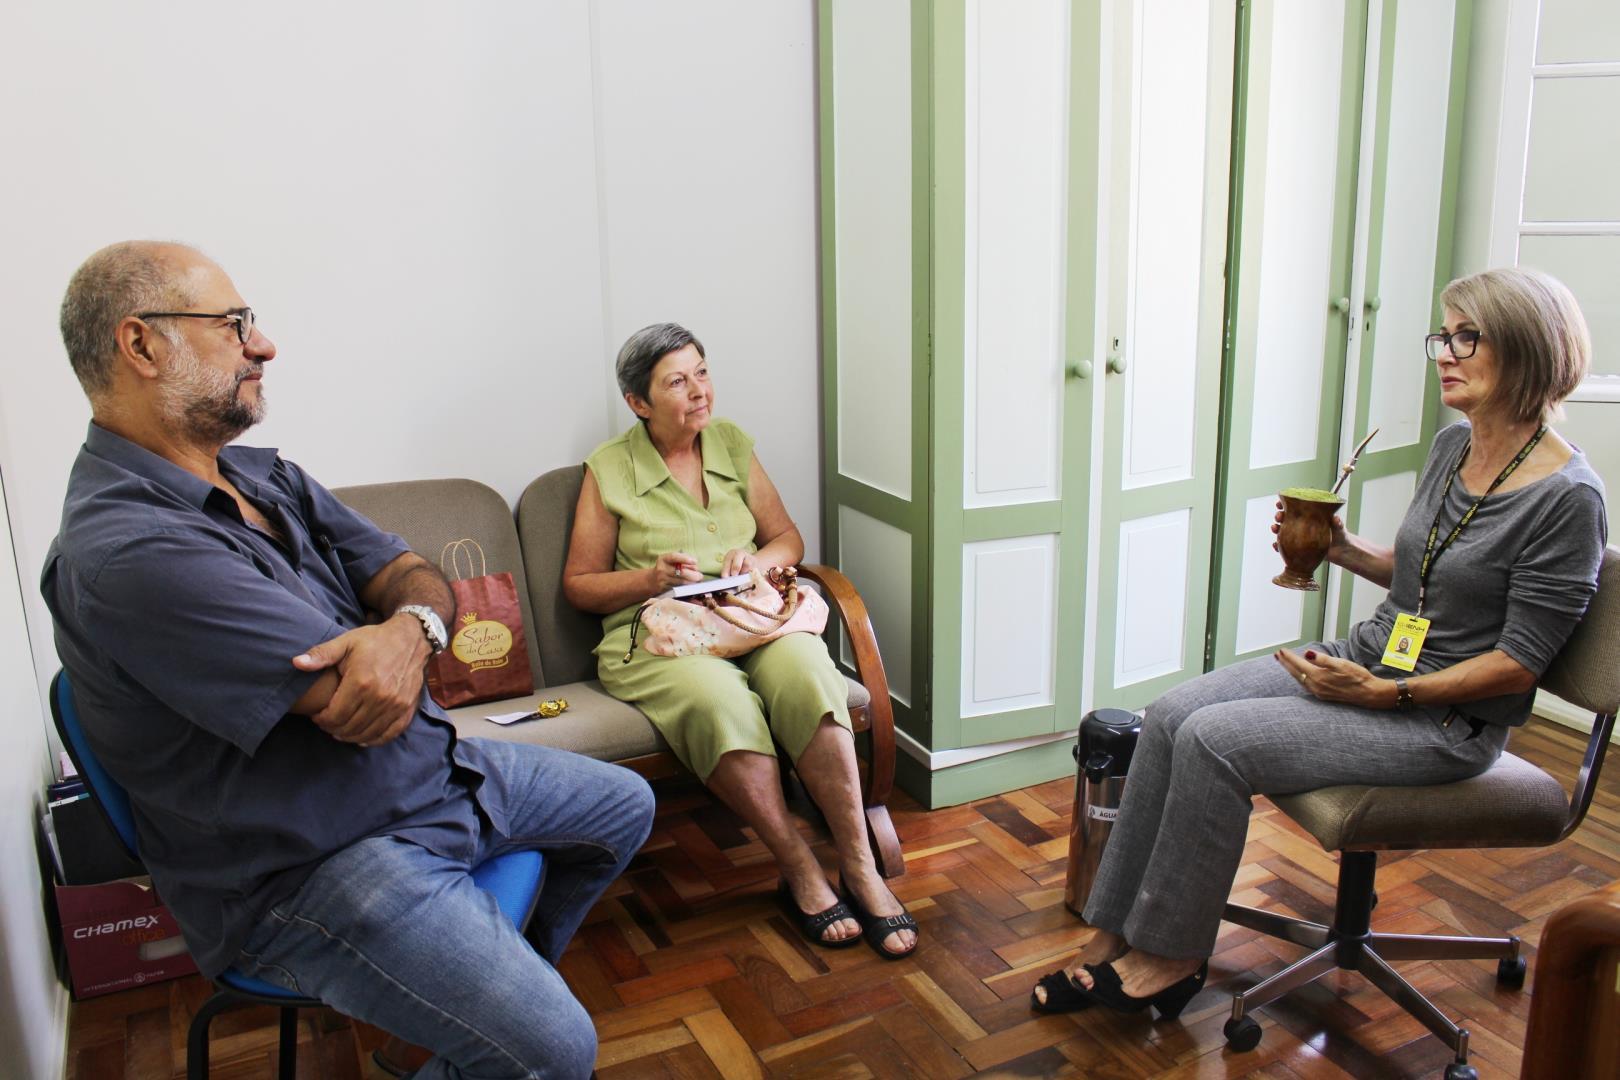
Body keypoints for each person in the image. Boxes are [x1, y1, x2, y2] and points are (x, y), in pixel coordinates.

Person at [43, 241, 654, 1079]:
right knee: (557, 1047)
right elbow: (358, 699)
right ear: (141, 346)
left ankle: (460, 1021)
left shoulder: (263, 478)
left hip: (428, 778)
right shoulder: (128, 550)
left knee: (624, 803)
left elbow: (416, 578)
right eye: (234, 325)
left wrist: (410, 632)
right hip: (315, 863)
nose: (264, 345)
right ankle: (490, 1030)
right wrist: (397, 631)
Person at [1032, 267, 1607, 1016]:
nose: (1445, 351)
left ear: (1531, 349)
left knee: (1216, 741)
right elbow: (1426, 573)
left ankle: (1171, 958)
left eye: (1470, 336)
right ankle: (1114, 930)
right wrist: (1341, 549)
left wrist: (1387, 692)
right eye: (1444, 333)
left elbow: (1518, 663)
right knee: (1173, 713)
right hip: (1372, 658)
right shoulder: (1453, 446)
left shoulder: (1568, 501)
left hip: (1446, 720)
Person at [563, 323, 918, 959]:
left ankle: (860, 868)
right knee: (718, 704)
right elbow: (580, 586)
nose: (699, 391)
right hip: (664, 638)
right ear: (638, 402)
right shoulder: (609, 469)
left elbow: (787, 538)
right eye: (677, 381)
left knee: (812, 675)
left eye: (702, 371)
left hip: (751, 618)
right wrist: (649, 577)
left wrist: (755, 563)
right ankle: (800, 869)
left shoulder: (730, 443)